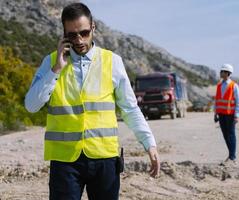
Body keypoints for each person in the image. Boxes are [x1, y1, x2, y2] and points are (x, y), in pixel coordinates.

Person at [25, 3, 160, 199]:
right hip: (65, 161)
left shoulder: (112, 62)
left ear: (93, 28)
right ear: (64, 34)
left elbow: (130, 109)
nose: (79, 40)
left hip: (104, 159)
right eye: (72, 35)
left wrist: (149, 143)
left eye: (84, 33)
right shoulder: (51, 62)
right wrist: (55, 70)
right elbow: (31, 105)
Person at [214, 64, 239, 166]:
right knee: (225, 135)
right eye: (221, 71)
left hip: (230, 114)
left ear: (228, 73)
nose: (221, 73)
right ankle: (231, 155)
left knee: (231, 135)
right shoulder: (219, 85)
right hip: (221, 114)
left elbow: (238, 102)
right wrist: (215, 113)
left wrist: (237, 115)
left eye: (223, 71)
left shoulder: (234, 86)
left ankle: (232, 157)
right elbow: (217, 100)